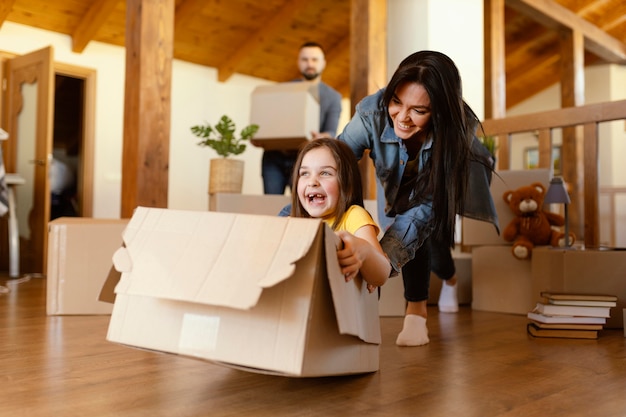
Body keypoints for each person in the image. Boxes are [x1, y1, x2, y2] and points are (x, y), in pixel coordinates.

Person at [338, 50, 498, 346]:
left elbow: (420, 215)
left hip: (442, 186)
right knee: (399, 232)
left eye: (418, 111)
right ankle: (415, 310)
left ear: (439, 111)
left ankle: (425, 303)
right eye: (396, 102)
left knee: (430, 240)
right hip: (399, 187)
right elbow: (335, 164)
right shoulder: (371, 113)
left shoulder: (456, 136)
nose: (402, 117)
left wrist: (379, 259)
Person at [290, 138, 390, 290]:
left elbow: (382, 273)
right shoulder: (297, 223)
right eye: (304, 173)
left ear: (347, 182)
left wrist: (364, 251)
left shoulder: (353, 216)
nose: (312, 182)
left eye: (325, 173)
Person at [262, 42, 342, 195]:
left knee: (302, 208)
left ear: (323, 63)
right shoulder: (282, 91)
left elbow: (330, 131)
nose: (309, 64)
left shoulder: (333, 97)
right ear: (298, 62)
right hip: (274, 158)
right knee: (271, 208)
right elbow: (270, 121)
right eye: (305, 59)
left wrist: (320, 138)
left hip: (305, 160)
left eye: (314, 59)